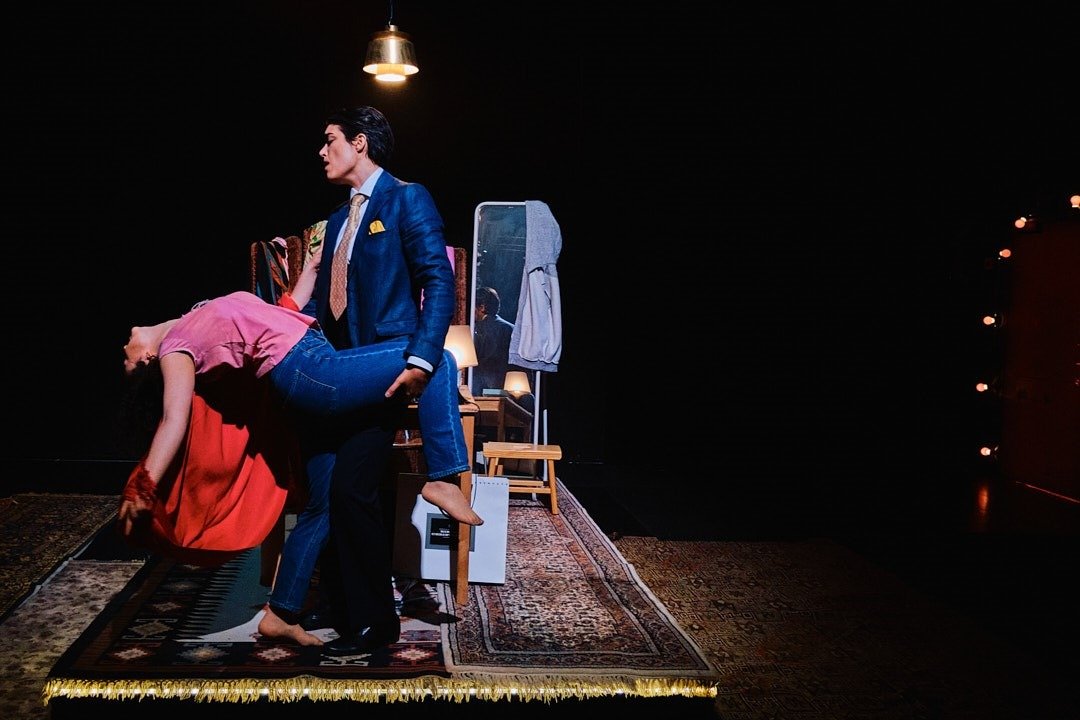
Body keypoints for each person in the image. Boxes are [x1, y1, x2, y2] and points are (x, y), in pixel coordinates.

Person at [118, 250, 482, 646]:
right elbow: (174, 418)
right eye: (128, 362)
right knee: (436, 357)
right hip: (309, 368)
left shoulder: (195, 315)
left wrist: (310, 269)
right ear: (148, 359)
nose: (123, 352)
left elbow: (282, 312)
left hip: (304, 376)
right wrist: (143, 486)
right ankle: (443, 476)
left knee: (322, 506)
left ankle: (280, 614)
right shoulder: (174, 349)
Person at [292, 106, 460, 657]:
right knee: (325, 493)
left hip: (385, 373)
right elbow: (323, 303)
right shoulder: (335, 221)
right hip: (335, 375)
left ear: (359, 142)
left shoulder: (407, 198)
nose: (321, 151)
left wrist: (423, 360)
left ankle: (374, 624)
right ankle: (341, 606)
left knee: (351, 488)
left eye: (330, 140)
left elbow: (438, 281)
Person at [471, 286, 515, 395]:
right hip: (506, 387)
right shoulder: (511, 328)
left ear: (481, 307)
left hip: (480, 388)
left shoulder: (478, 328)